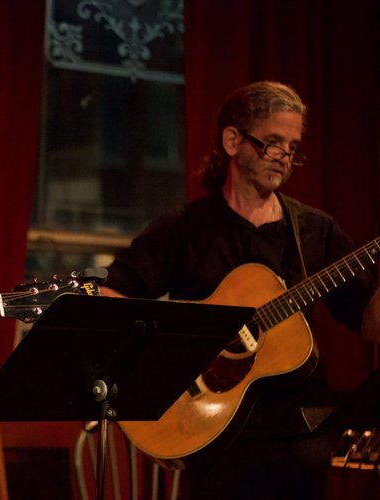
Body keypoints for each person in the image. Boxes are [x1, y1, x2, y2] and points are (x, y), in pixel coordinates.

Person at [102, 81, 380, 499]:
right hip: (216, 439)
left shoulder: (314, 231)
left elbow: (372, 327)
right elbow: (110, 300)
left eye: (292, 147)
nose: (284, 158)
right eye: (272, 143)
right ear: (233, 140)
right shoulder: (184, 230)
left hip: (299, 441)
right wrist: (151, 397)